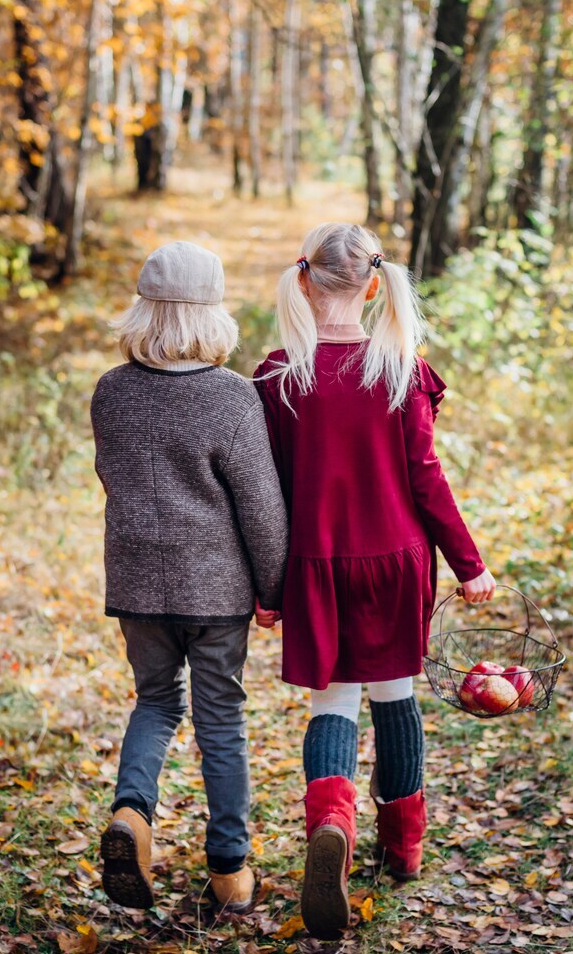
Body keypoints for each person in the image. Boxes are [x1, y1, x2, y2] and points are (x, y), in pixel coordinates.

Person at [254, 222, 495, 939]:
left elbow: (268, 495)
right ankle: (403, 844)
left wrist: (268, 590)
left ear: (304, 281)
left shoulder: (279, 375)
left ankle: (332, 823)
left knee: (333, 701)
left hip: (317, 565)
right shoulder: (399, 366)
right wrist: (470, 564)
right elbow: (427, 479)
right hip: (394, 562)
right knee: (395, 698)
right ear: (371, 284)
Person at [92, 241, 288, 914]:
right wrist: (275, 588)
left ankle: (133, 818)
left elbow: (111, 476)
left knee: (155, 702)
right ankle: (230, 870)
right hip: (218, 591)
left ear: (142, 309)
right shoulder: (232, 397)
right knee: (220, 718)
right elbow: (260, 505)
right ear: (214, 313)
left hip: (138, 585)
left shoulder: (111, 391)